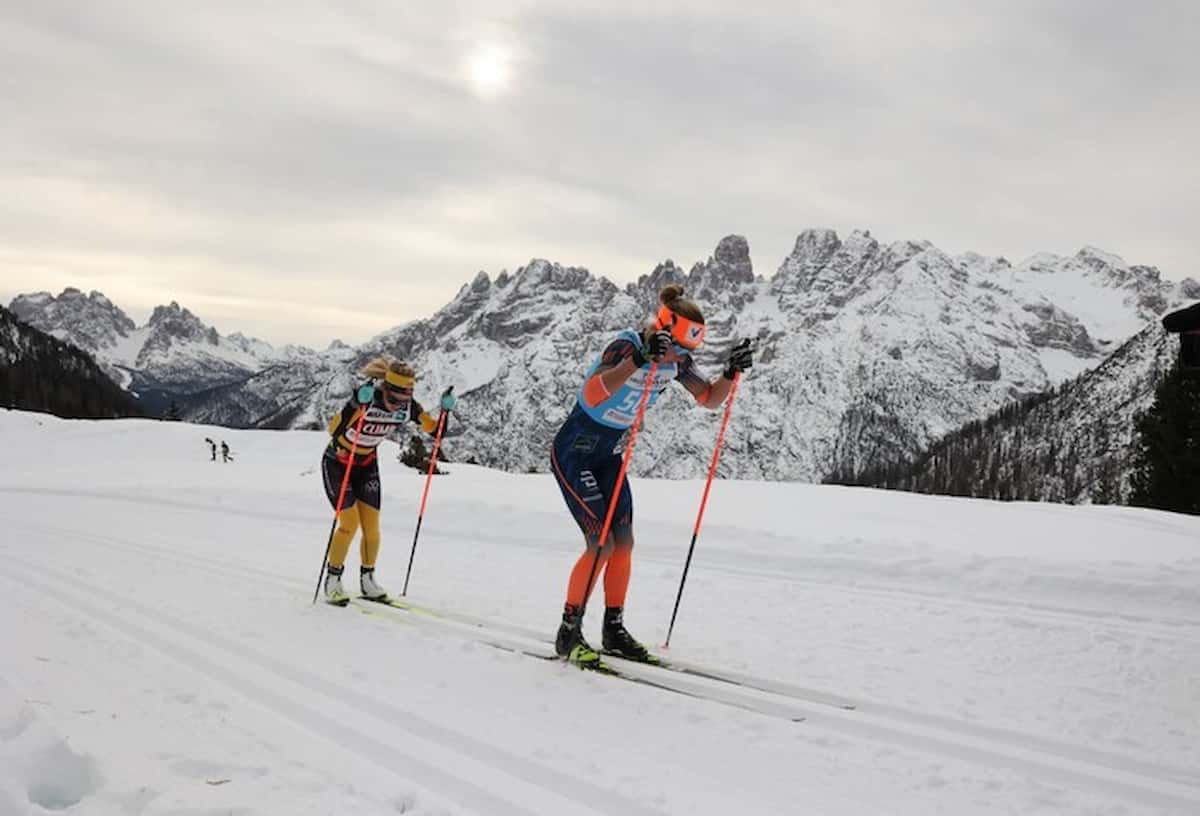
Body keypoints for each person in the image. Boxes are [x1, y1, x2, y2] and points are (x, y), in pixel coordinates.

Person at [550, 284, 754, 666]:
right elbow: (592, 395)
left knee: (623, 543)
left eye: (687, 352)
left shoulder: (674, 361)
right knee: (600, 544)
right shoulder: (627, 347)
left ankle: (613, 630)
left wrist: (730, 371)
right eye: (677, 347)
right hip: (573, 452)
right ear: (661, 331)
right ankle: (568, 632)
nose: (680, 357)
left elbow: (709, 399)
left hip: (608, 456)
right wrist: (640, 360)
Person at [321, 358, 457, 603]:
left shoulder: (408, 407)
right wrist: (354, 405)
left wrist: (445, 411)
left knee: (372, 528)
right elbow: (334, 430)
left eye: (403, 401)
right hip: (339, 462)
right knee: (349, 524)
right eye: (393, 400)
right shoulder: (367, 399)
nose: (397, 407)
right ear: (385, 389)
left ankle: (367, 580)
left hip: (366, 465)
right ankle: (333, 579)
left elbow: (435, 432)